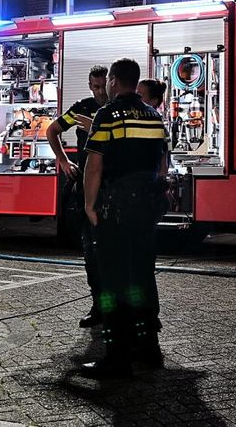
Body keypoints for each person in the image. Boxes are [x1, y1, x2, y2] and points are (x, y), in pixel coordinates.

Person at [81, 58, 169, 377]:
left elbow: (94, 165)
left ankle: (116, 357)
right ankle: (149, 347)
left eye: (107, 81)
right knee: (142, 276)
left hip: (116, 207)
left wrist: (90, 205)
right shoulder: (154, 115)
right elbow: (162, 162)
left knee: (113, 281)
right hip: (147, 207)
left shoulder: (107, 115)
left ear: (114, 81)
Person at [47, 65, 110, 328]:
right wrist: (63, 161)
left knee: (112, 252)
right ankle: (99, 307)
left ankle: (116, 311)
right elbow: (52, 130)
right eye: (94, 86)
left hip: (111, 186)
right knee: (90, 252)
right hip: (86, 185)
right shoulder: (81, 108)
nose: (98, 91)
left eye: (102, 85)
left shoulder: (115, 110)